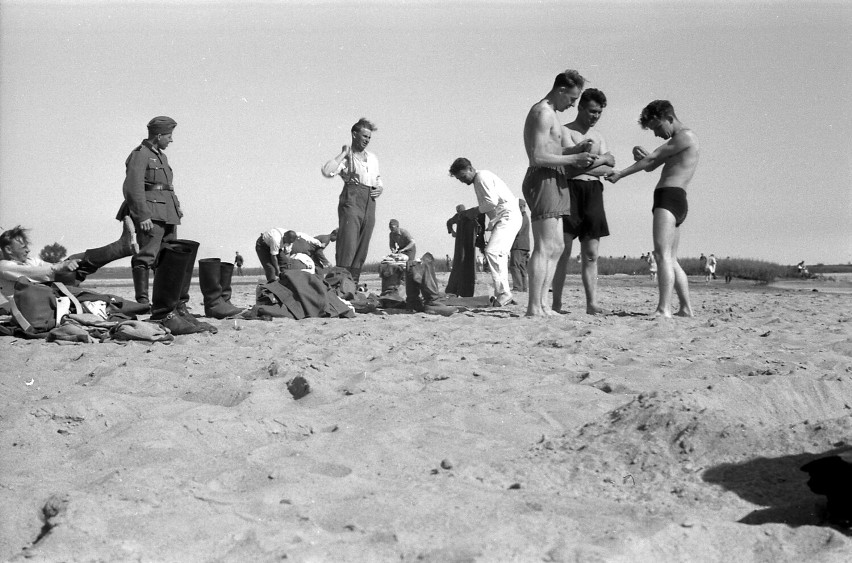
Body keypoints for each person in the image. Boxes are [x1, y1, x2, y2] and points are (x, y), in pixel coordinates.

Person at [606, 100, 699, 317]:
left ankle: (664, 308)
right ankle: (685, 308)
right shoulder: (680, 141)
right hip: (676, 198)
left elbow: (653, 158)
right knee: (670, 258)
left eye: (657, 127)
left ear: (668, 118)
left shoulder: (685, 136)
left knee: (661, 255)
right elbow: (652, 164)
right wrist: (643, 156)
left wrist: (620, 174)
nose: (657, 134)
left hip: (669, 197)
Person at [522, 69, 596, 316]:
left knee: (556, 246)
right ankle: (534, 306)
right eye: (572, 99)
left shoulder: (550, 113)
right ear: (561, 90)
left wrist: (575, 149)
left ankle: (543, 304)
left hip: (556, 176)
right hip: (543, 178)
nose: (573, 104)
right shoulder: (542, 112)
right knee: (544, 246)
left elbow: (552, 150)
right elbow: (537, 156)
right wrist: (575, 156)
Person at [552, 88, 615, 314]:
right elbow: (572, 165)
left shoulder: (599, 137)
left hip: (593, 192)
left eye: (599, 112)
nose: (595, 116)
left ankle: (592, 303)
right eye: (591, 111)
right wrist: (603, 159)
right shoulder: (565, 131)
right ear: (580, 107)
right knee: (563, 251)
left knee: (591, 253)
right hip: (570, 191)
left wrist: (594, 162)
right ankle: (556, 303)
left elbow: (610, 167)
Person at [117, 116, 182, 306]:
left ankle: (164, 301)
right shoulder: (140, 154)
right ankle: (143, 301)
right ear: (159, 135)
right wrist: (142, 215)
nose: (171, 140)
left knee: (168, 259)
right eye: (169, 136)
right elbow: (132, 187)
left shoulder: (161, 156)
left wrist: (176, 208)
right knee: (146, 256)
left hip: (168, 214)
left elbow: (166, 186)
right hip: (151, 214)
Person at [449, 158, 522, 307]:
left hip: (508, 216)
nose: (462, 181)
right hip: (502, 218)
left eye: (463, 176)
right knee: (498, 253)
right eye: (459, 179)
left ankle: (504, 293)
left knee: (493, 252)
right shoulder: (478, 180)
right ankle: (503, 293)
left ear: (470, 168)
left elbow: (491, 202)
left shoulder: (482, 177)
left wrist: (473, 211)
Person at [0, 221, 137, 298]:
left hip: (47, 295)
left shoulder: (30, 261)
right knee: (96, 297)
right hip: (38, 303)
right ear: (8, 250)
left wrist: (64, 265)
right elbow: (35, 273)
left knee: (76, 262)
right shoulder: (5, 266)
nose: (28, 250)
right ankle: (121, 248)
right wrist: (60, 267)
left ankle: (122, 248)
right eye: (23, 247)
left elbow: (51, 266)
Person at [321, 118, 383, 283]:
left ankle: (352, 284)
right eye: (364, 136)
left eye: (369, 138)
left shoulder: (372, 158)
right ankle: (341, 282)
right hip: (352, 197)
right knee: (348, 242)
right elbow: (327, 171)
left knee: (363, 244)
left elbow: (377, 178)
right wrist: (343, 153)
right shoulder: (348, 158)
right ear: (354, 134)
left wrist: (380, 187)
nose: (366, 140)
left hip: (370, 201)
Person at [445, 204, 480, 297]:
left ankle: (456, 289)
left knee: (459, 262)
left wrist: (452, 232)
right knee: (468, 262)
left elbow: (449, 222)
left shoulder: (459, 216)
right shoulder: (469, 214)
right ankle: (465, 291)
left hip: (462, 243)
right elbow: (479, 226)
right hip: (468, 242)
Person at [509, 200, 531, 292]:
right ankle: (524, 287)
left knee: (514, 265)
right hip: (524, 245)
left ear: (520, 207)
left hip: (518, 245)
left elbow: (517, 231)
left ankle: (517, 287)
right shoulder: (525, 217)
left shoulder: (521, 217)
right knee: (522, 267)